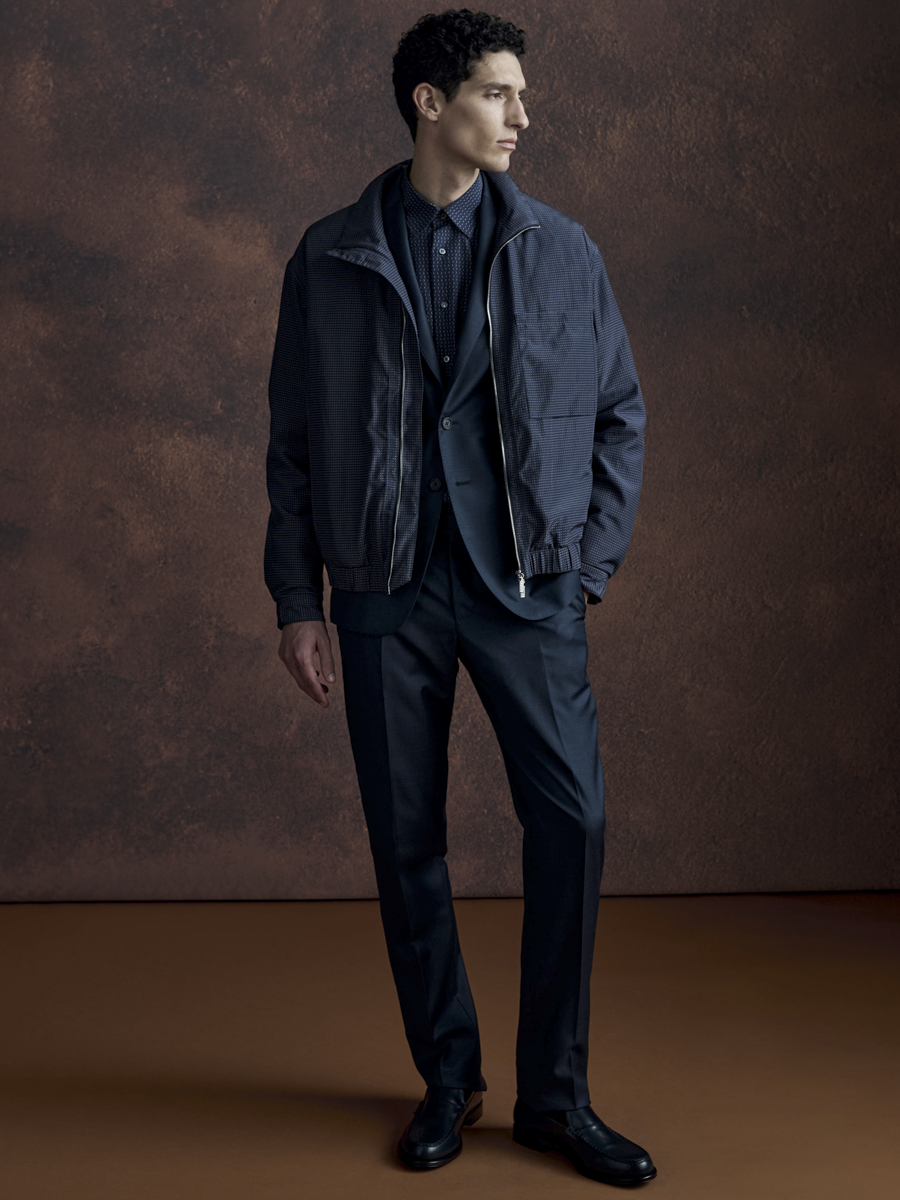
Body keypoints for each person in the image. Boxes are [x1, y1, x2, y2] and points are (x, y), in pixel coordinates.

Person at [264, 8, 655, 1187]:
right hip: (384, 587)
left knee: (572, 825)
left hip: (526, 586)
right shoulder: (329, 256)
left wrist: (584, 564)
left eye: (520, 93)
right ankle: (448, 1078)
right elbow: (293, 445)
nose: (522, 115)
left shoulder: (561, 250)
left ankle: (556, 1099)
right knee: (407, 843)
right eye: (498, 92)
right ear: (430, 103)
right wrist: (298, 599)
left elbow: (619, 414)